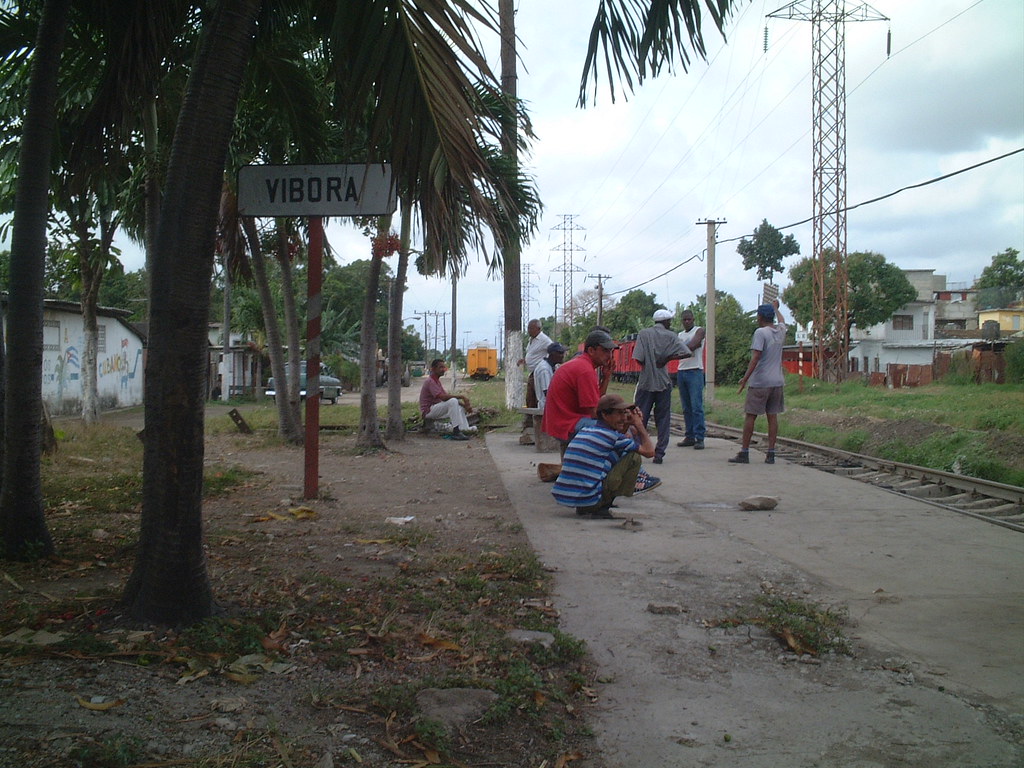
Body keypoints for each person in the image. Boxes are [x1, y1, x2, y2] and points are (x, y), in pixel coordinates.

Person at [552, 394, 656, 518]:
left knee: (619, 451)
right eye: (619, 414)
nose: (623, 418)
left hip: (572, 498)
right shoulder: (611, 437)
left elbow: (620, 439)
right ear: (605, 415)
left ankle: (588, 506)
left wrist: (627, 424)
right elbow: (649, 452)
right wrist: (639, 425)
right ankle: (603, 505)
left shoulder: (587, 430)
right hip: (591, 500)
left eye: (624, 413)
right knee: (633, 457)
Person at [542, 329, 618, 455]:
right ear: (591, 351)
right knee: (615, 433)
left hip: (560, 422)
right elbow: (595, 412)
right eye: (605, 350)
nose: (609, 356)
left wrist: (606, 377)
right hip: (567, 423)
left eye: (610, 351)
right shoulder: (585, 370)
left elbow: (597, 401)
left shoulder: (582, 365)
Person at [729, 299, 787, 464]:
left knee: (750, 416)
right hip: (777, 382)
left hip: (761, 381)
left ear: (760, 317)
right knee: (772, 416)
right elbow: (782, 321)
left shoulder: (760, 333)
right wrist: (776, 308)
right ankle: (771, 453)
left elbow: (756, 358)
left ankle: (744, 451)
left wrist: (745, 379)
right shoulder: (780, 331)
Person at [632, 309, 690, 464]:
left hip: (645, 382)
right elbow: (687, 352)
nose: (670, 323)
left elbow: (638, 358)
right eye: (669, 321)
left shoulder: (644, 334)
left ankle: (637, 449)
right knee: (663, 418)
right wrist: (667, 358)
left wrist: (648, 366)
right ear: (665, 322)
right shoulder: (671, 336)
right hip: (663, 382)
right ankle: (659, 453)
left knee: (639, 416)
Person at [419, 358, 474, 441]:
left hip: (435, 408)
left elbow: (446, 396)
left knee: (459, 406)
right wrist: (462, 397)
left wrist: (465, 406)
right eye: (440, 367)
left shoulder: (436, 381)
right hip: (428, 411)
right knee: (453, 401)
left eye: (444, 367)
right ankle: (456, 432)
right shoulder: (430, 381)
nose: (443, 370)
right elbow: (443, 397)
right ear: (433, 369)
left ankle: (464, 429)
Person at [676, 309, 707, 450]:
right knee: (686, 407)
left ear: (693, 319)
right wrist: (683, 350)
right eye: (685, 320)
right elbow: (679, 350)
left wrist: (681, 350)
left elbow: (694, 345)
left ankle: (699, 437)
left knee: (696, 407)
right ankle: (689, 435)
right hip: (682, 371)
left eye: (689, 319)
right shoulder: (679, 335)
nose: (687, 321)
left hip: (695, 371)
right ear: (682, 321)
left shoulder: (699, 331)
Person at [533, 342, 566, 412]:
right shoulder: (544, 369)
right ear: (552, 354)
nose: (562, 355)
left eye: (563, 353)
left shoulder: (553, 366)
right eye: (560, 353)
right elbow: (548, 393)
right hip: (546, 409)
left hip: (550, 408)